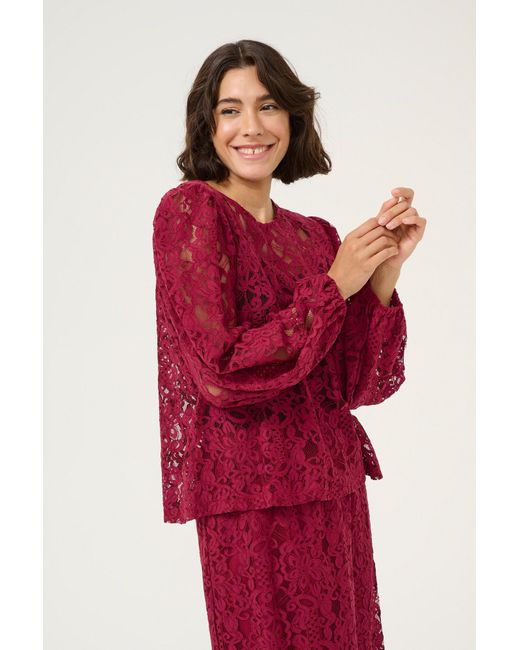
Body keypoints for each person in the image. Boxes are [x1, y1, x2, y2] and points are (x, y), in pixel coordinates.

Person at [152, 39, 426, 650]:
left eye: (268, 105)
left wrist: (382, 275)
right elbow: (221, 370)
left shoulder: (316, 237)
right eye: (230, 109)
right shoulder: (191, 211)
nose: (251, 126)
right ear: (207, 124)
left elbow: (356, 385)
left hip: (334, 487)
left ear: (293, 119)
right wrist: (336, 285)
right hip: (252, 497)